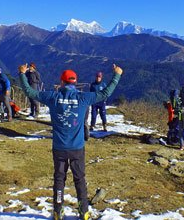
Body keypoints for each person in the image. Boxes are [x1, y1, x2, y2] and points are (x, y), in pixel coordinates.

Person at [18, 63, 123, 220]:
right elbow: (104, 93)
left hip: (59, 148)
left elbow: (30, 92)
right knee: (80, 179)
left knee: (59, 179)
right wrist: (117, 75)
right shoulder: (83, 98)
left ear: (61, 82)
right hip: (77, 148)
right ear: (75, 82)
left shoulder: (52, 97)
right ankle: (83, 211)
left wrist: (21, 74)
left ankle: (58, 210)